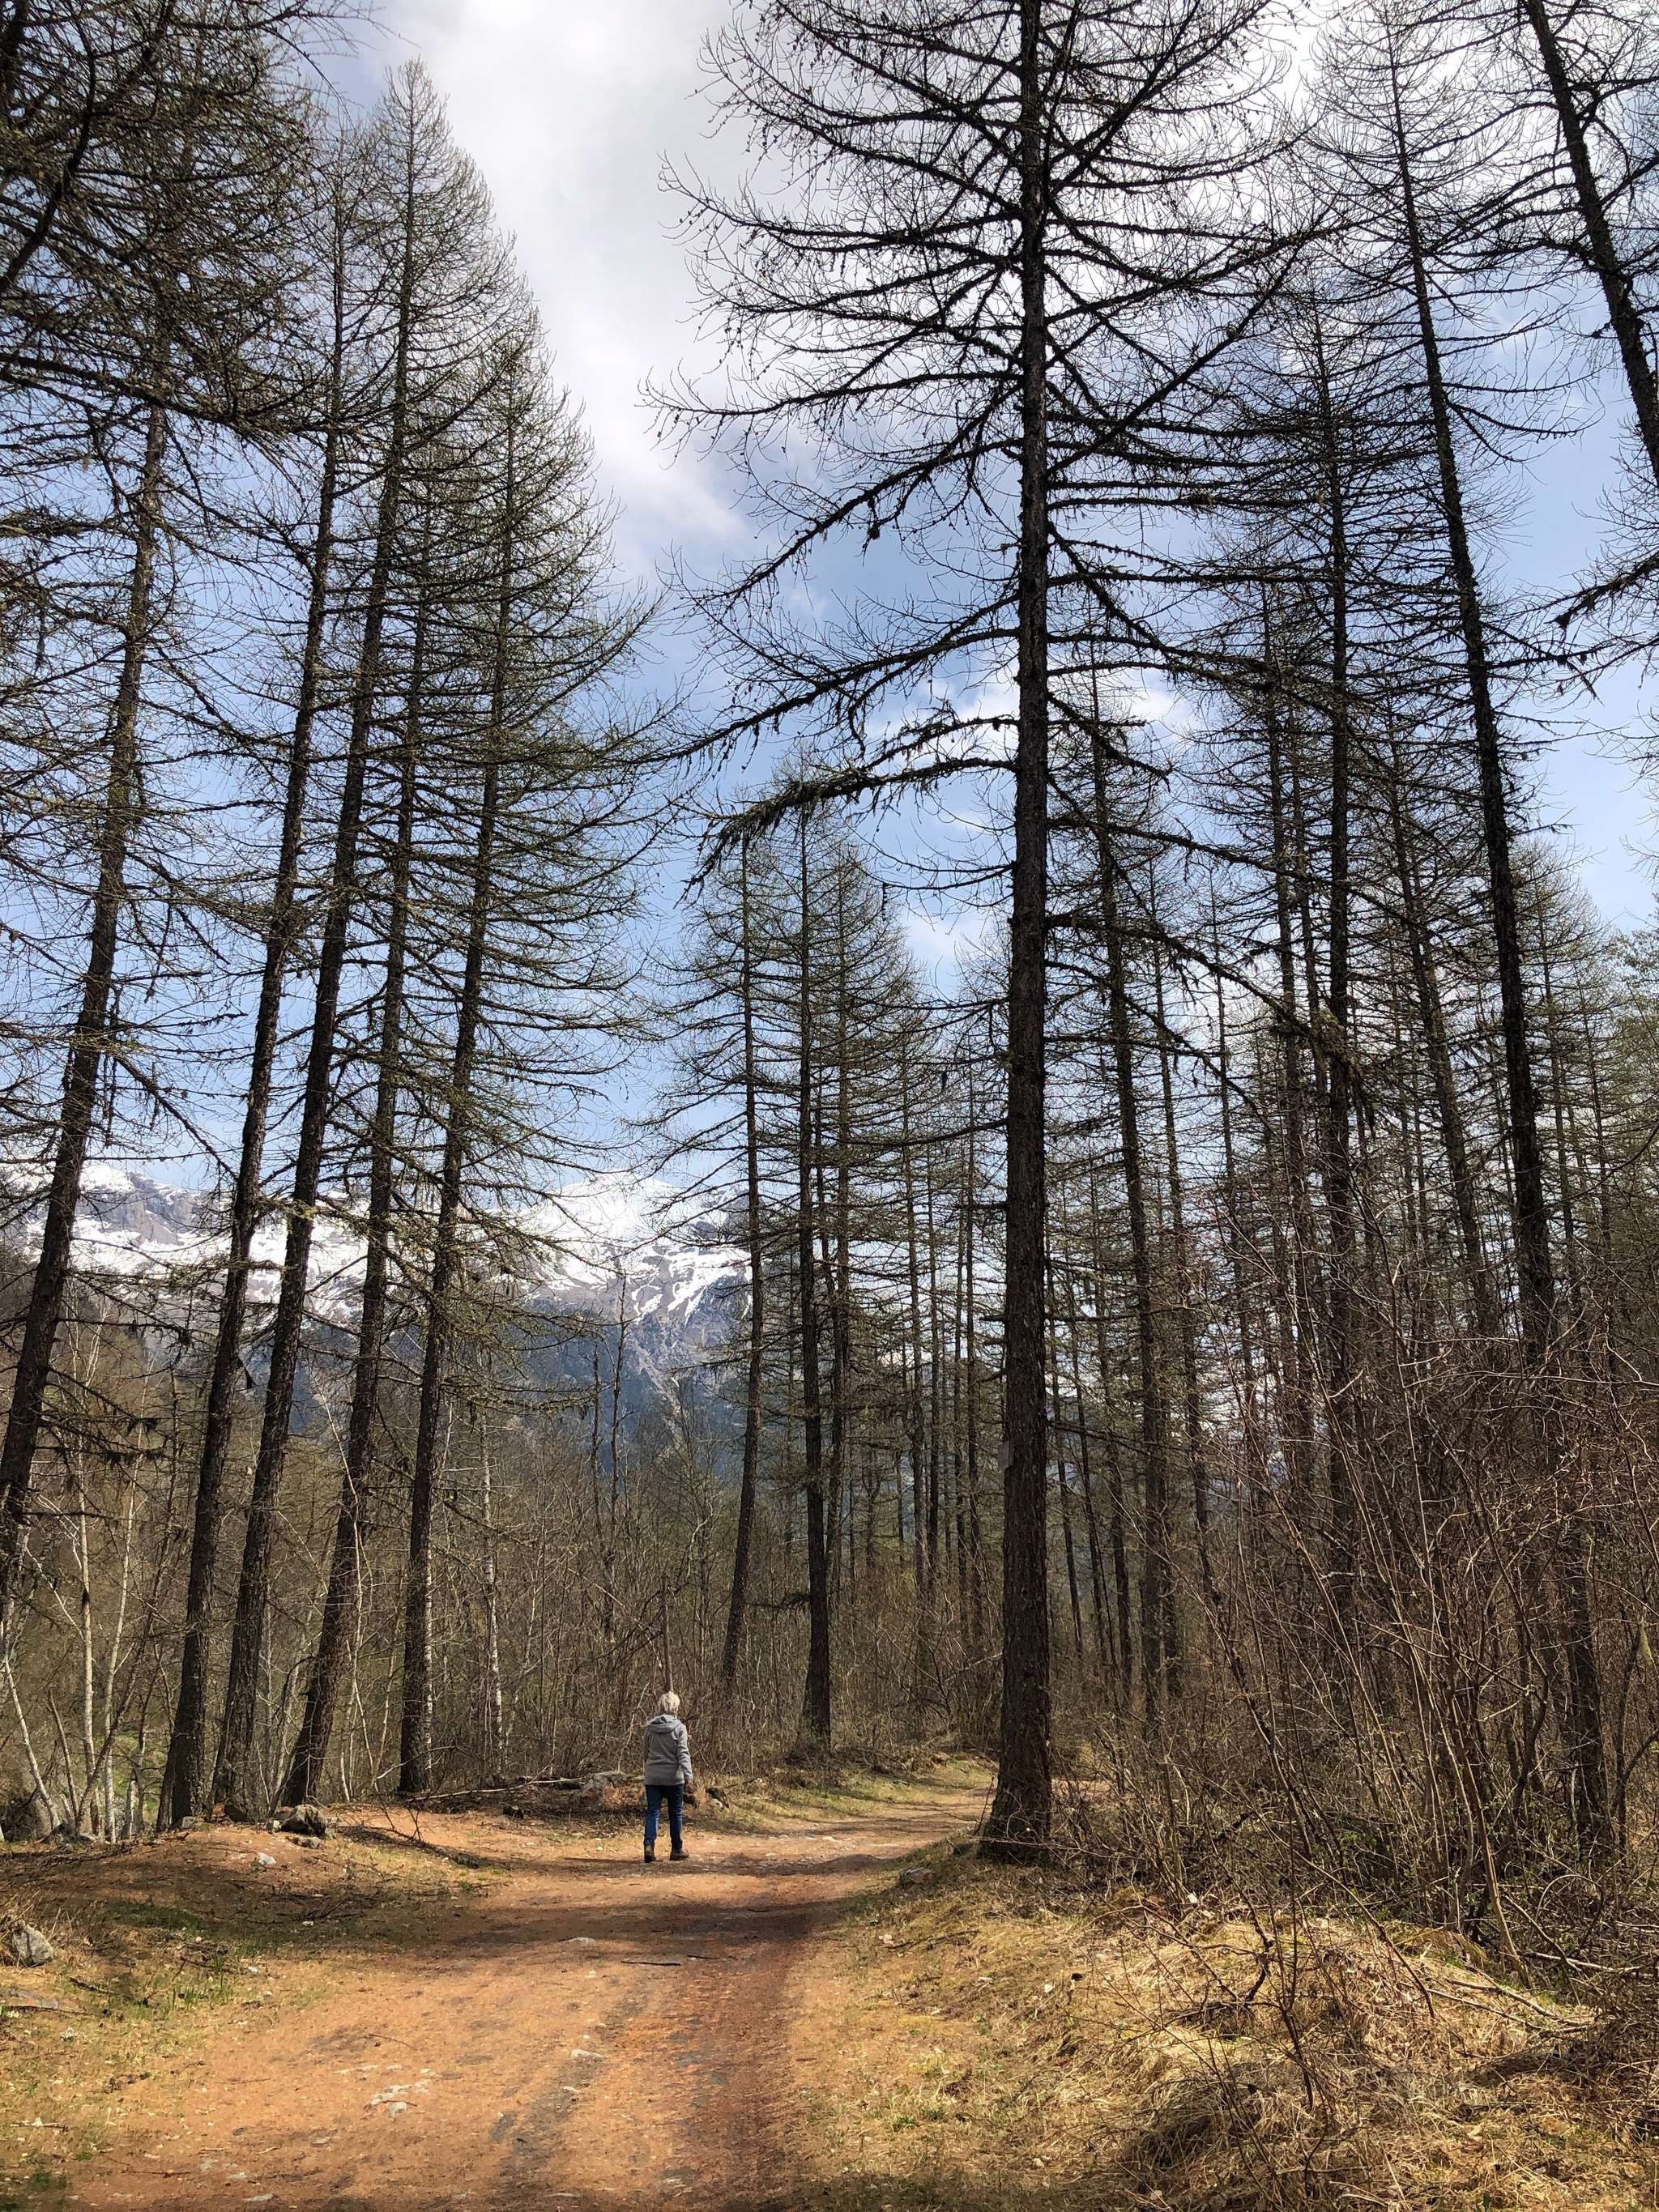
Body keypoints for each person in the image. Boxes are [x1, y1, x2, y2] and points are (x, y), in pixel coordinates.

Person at [642, 1690, 693, 1865]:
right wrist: (688, 1776)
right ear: (675, 1708)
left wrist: (650, 1768)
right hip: (673, 1778)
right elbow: (683, 1754)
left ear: (660, 1706)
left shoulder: (650, 1728)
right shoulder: (679, 1728)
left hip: (653, 1777)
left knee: (653, 1811)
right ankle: (677, 1849)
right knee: (675, 1812)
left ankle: (649, 1846)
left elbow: (645, 1752)